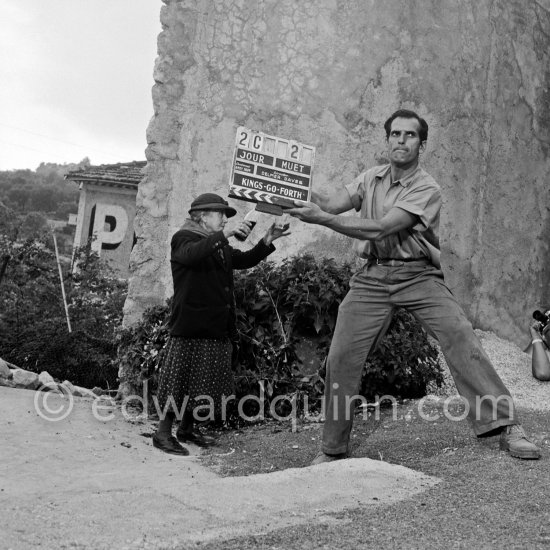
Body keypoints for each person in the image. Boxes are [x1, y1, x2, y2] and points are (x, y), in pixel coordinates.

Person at [286, 109, 541, 463]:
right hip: (372, 277)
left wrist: (324, 221)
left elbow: (381, 228)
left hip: (418, 276)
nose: (401, 141)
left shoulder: (427, 187)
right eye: (395, 134)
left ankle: (506, 424)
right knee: (341, 357)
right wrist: (290, 185)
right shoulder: (371, 178)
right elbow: (330, 202)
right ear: (387, 140)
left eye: (409, 135)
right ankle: (332, 449)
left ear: (422, 144)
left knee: (460, 335)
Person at [152, 193, 289, 455]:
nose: (225, 219)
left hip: (215, 324)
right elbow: (193, 256)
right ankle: (162, 433)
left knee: (202, 381)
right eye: (220, 214)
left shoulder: (216, 244)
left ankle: (187, 429)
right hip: (190, 324)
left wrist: (266, 241)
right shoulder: (184, 238)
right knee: (179, 380)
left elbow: (243, 260)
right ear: (202, 216)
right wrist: (225, 237)